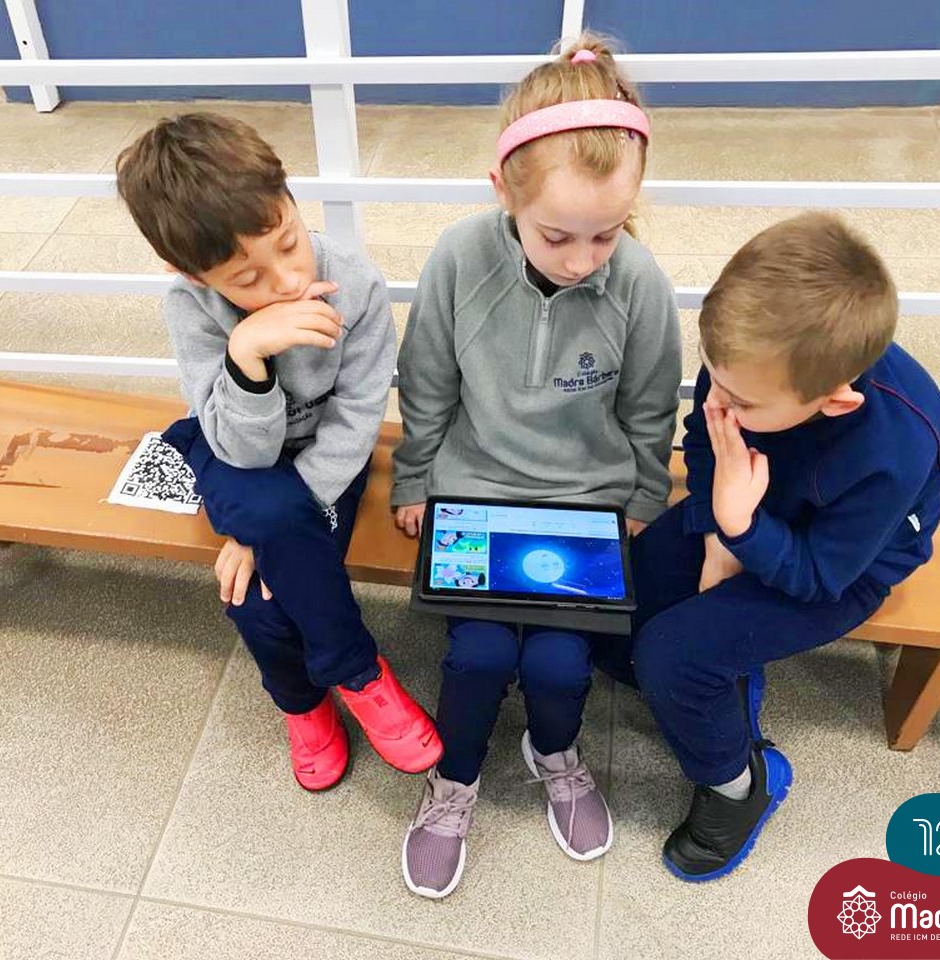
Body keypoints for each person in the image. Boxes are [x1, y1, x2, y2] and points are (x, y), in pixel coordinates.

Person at [390, 34, 682, 898]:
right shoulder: (458, 258)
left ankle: (554, 752)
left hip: (584, 505)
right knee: (479, 656)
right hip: (474, 492)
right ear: (503, 191)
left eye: (607, 234)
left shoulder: (640, 284)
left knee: (559, 665)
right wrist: (414, 477)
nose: (584, 259)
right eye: (558, 235)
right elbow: (427, 382)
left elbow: (650, 406)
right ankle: (453, 781)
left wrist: (642, 493)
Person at [115, 112, 442, 794]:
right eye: (247, 278)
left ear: (291, 198)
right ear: (191, 275)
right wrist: (247, 355)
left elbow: (356, 418)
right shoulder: (192, 308)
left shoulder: (354, 281)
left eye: (289, 244)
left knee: (257, 603)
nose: (288, 281)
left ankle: (304, 702)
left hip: (323, 466)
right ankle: (356, 674)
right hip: (232, 453)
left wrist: (260, 532)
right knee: (260, 545)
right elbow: (235, 447)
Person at [623, 212, 940, 881]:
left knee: (670, 657)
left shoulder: (895, 449)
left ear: (833, 402)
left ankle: (739, 785)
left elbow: (821, 576)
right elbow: (708, 438)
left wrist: (742, 529)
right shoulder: (744, 369)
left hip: (841, 566)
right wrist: (717, 535)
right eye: (712, 372)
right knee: (619, 606)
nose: (719, 398)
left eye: (740, 400)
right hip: (745, 510)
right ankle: (723, 683)